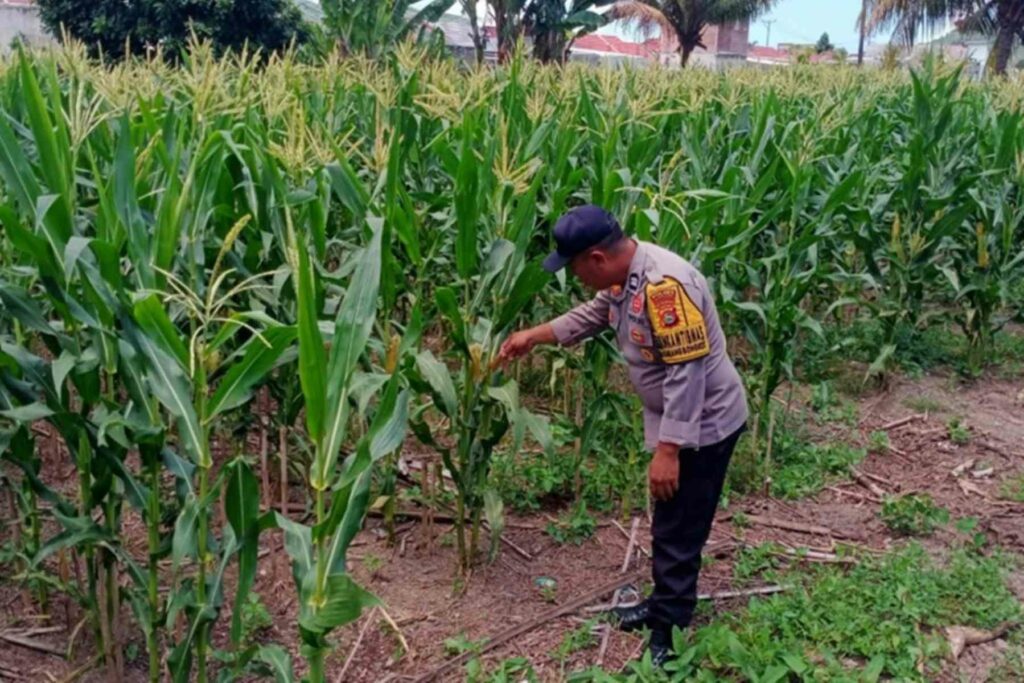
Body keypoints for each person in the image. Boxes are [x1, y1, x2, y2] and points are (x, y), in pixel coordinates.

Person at [499, 205, 748, 666]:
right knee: (671, 520)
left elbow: (687, 373)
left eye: (575, 268)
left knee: (679, 527)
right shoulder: (625, 275)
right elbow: (595, 313)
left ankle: (669, 630)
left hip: (704, 423)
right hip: (683, 419)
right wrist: (534, 336)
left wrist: (669, 450)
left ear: (596, 257)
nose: (575, 277)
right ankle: (663, 604)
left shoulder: (665, 286)